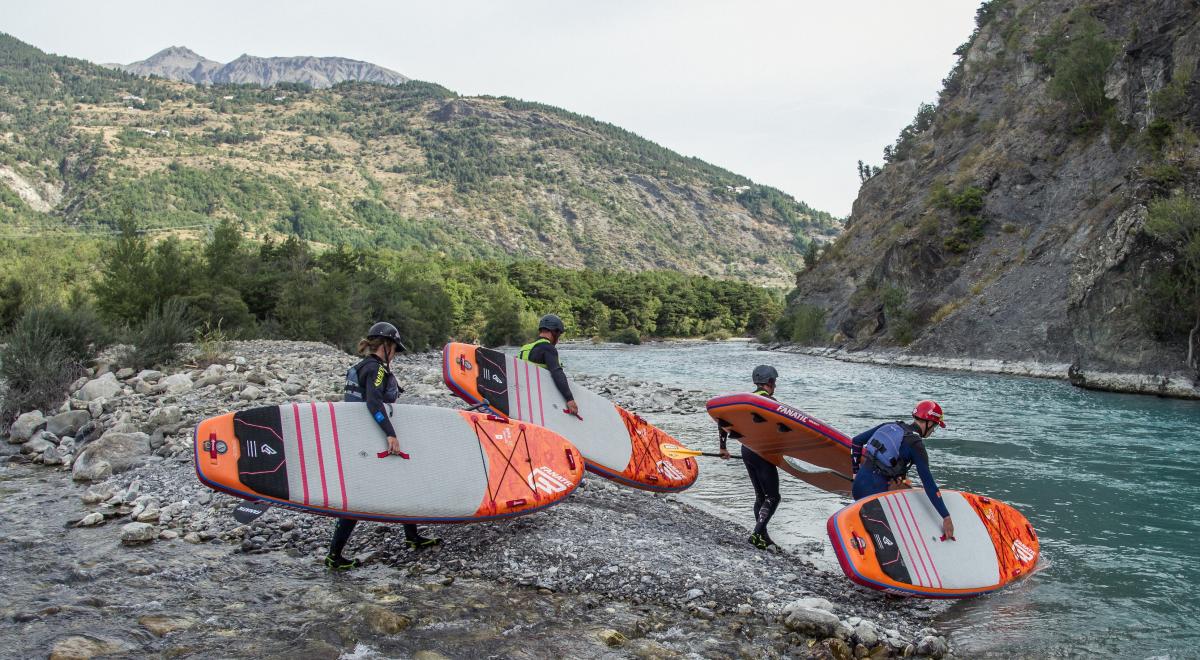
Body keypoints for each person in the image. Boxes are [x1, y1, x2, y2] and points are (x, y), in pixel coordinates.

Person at [325, 322, 440, 570]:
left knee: (402, 483)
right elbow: (374, 403)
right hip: (371, 440)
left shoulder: (359, 366)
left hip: (357, 437)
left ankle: (412, 537)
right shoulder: (376, 369)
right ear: (386, 346)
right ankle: (334, 555)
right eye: (395, 349)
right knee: (359, 498)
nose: (396, 354)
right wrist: (390, 434)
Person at [850, 400, 955, 541]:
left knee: (864, 532)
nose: (933, 430)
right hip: (873, 496)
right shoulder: (916, 444)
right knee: (888, 540)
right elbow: (928, 483)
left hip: (857, 487)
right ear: (928, 423)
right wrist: (945, 516)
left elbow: (856, 441)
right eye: (934, 426)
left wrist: (855, 473)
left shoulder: (890, 426)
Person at [719, 364, 782, 550]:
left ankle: (763, 537)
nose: (776, 386)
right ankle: (756, 534)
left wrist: (723, 447)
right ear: (769, 382)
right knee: (773, 497)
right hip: (761, 452)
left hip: (746, 450)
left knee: (760, 496)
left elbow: (722, 419)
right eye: (775, 382)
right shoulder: (770, 402)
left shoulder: (745, 403)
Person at [518, 314, 579, 417]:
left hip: (523, 395)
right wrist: (569, 399)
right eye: (558, 335)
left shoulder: (525, 348)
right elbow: (556, 372)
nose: (558, 339)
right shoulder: (548, 348)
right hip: (538, 398)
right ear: (554, 332)